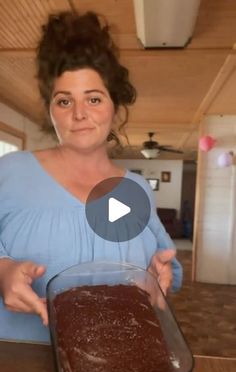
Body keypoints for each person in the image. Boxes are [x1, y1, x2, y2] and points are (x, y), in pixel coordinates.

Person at [0, 11, 182, 343]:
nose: (79, 113)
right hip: (19, 369)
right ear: (50, 111)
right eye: (64, 100)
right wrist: (3, 270)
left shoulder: (135, 189)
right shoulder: (11, 172)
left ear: (115, 106)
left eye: (93, 99)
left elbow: (163, 264)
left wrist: (158, 278)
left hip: (118, 362)